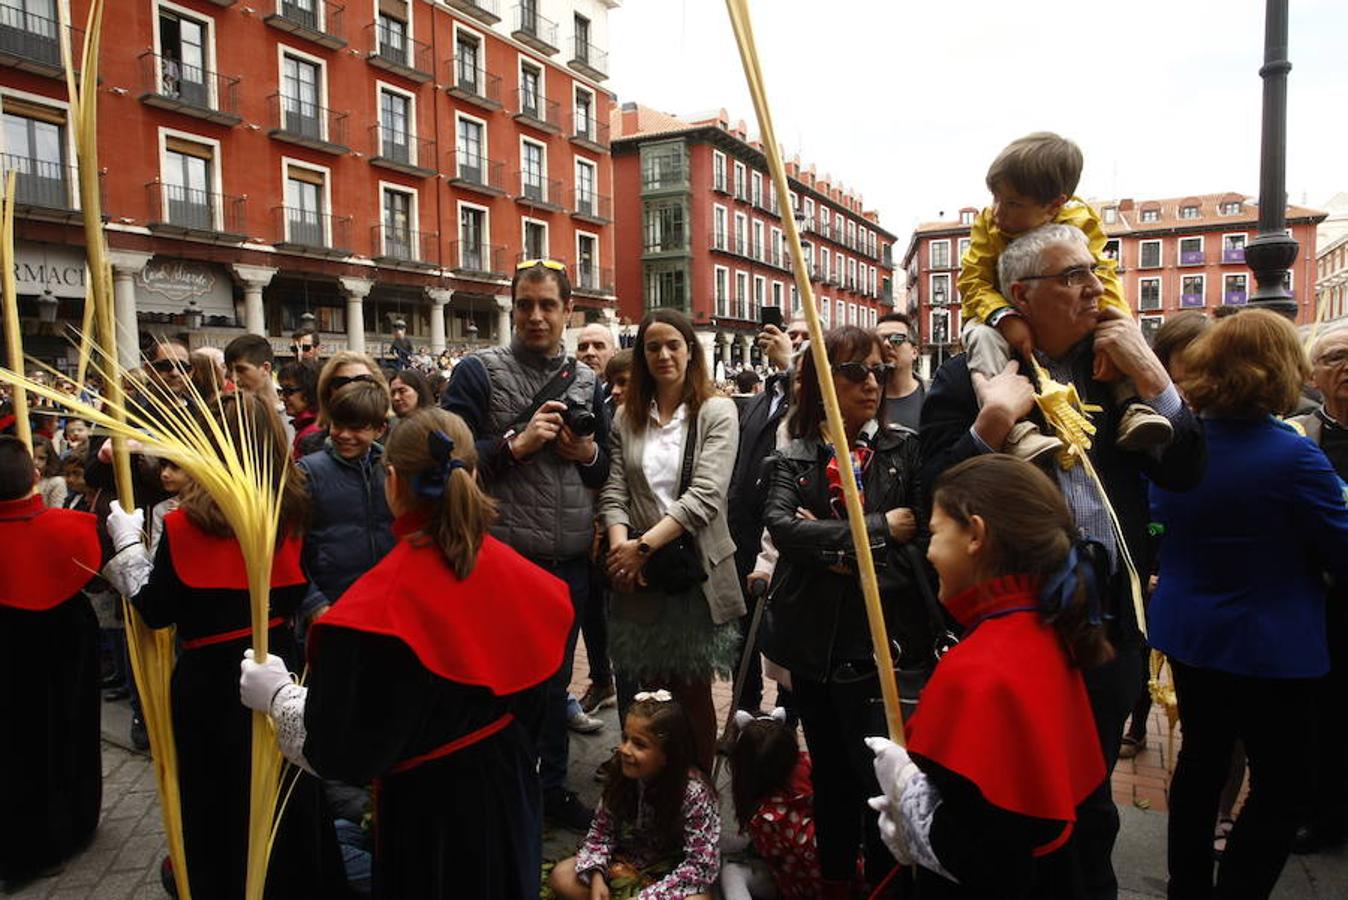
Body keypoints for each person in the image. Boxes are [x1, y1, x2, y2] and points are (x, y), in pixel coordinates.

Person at [920, 222, 1206, 900]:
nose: (1093, 286)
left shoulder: (1116, 372)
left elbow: (1191, 470)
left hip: (1105, 621)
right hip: (1015, 627)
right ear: (1022, 293)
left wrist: (1156, 375)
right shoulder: (971, 374)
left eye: (1094, 270)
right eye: (1072, 276)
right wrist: (991, 425)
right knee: (1016, 805)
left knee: (1092, 804)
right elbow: (924, 493)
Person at [239, 407, 574, 899]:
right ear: (473, 474)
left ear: (391, 481)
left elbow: (343, 752)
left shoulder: (372, 610)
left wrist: (280, 698)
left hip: (429, 814)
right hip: (510, 790)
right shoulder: (537, 584)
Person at [100, 393, 347, 900]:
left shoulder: (184, 525)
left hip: (211, 681)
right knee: (285, 797)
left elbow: (157, 608)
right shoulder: (291, 512)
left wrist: (126, 545)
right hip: (279, 666)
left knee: (218, 801)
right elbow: (298, 590)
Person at [1148, 310, 1348, 900]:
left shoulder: (1180, 449)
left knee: (1201, 763)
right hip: (1269, 643)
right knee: (1283, 783)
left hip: (1192, 632)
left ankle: (1188, 887)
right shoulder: (1294, 458)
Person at [868, 454, 1114, 899]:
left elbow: (988, 857)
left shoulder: (981, 670)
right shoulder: (1046, 628)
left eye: (937, 533)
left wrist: (910, 801)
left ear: (975, 535)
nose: (928, 551)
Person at [440, 260, 609, 831]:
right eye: (526, 305)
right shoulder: (476, 371)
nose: (537, 316)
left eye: (548, 305)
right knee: (502, 683)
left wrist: (585, 455)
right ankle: (498, 793)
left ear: (567, 311)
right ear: (511, 308)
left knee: (555, 685)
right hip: (505, 559)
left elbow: (603, 467)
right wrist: (513, 447)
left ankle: (551, 788)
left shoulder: (587, 380)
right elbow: (444, 464)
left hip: (568, 564)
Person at [759, 324, 925, 896]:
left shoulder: (905, 450)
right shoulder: (794, 452)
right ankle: (832, 884)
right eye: (856, 371)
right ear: (822, 380)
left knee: (877, 779)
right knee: (830, 777)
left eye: (879, 369)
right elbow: (782, 529)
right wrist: (880, 528)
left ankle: (881, 886)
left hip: (878, 648)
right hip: (811, 646)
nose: (872, 382)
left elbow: (920, 549)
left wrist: (834, 551)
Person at [957, 132, 1171, 460]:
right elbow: (972, 280)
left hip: (1064, 330)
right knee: (981, 336)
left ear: (1055, 204)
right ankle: (1015, 429)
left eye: (1013, 203)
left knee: (1115, 328)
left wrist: (1117, 329)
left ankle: (1133, 408)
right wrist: (1004, 316)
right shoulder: (990, 223)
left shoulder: (1081, 222)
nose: (998, 212)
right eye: (995, 198)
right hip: (995, 319)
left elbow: (1103, 280)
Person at [598, 308, 744, 772]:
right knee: (647, 692)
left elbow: (706, 496)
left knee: (692, 691)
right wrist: (623, 551)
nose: (663, 354)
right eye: (652, 347)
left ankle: (696, 794)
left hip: (693, 571)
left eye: (673, 345)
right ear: (641, 356)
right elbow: (615, 489)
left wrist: (639, 549)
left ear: (690, 351)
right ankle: (653, 797)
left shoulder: (717, 411)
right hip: (639, 573)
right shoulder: (626, 416)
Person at [0, 436, 103, 888]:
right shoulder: (74, 525)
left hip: (9, 640)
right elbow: (94, 577)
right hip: (66, 633)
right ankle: (74, 822)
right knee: (71, 729)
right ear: (36, 476)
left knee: (15, 744)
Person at [1118, 310, 1212, 763]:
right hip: (1154, 563)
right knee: (1139, 656)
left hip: (1192, 575)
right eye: (1182, 362)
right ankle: (1136, 723)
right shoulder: (1141, 408)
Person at [548, 694, 720, 900]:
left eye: (639, 744)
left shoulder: (695, 793)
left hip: (672, 876)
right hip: (625, 863)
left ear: (668, 755)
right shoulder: (621, 776)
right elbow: (601, 833)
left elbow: (701, 865)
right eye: (625, 738)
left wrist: (647, 897)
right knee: (561, 876)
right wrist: (596, 876)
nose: (624, 750)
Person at [1291, 326, 1348, 853]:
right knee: (1323, 715)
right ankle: (1321, 812)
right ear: (1314, 375)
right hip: (1318, 598)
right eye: (1336, 356)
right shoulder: (1298, 435)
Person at [296, 381, 396, 629]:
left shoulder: (394, 472)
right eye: (338, 425)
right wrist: (313, 603)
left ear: (379, 429)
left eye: (357, 428)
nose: (344, 435)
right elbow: (288, 547)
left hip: (388, 609)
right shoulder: (308, 473)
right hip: (331, 607)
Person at [722, 709, 821, 900]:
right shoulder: (810, 767)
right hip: (850, 878)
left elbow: (775, 856)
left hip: (803, 887)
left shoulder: (767, 817)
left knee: (732, 873)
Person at [575, 323, 619, 722]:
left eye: (598, 345)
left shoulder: (624, 397)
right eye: (583, 346)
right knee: (590, 607)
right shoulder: (580, 394)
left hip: (615, 522)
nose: (590, 352)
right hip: (580, 520)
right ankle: (602, 678)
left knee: (612, 609)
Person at [297, 352, 389, 458]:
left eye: (362, 380)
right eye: (341, 383)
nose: (351, 389)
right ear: (327, 391)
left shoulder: (396, 441)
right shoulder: (311, 447)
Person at [875, 312, 924, 433]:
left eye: (897, 338)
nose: (886, 344)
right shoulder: (862, 399)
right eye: (879, 340)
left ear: (914, 352)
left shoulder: (934, 399)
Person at [277, 360, 321, 457]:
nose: (282, 397)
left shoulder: (313, 432)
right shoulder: (305, 426)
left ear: (309, 391)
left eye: (288, 391)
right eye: (281, 391)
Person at [32, 434, 67, 509]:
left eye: (41, 458)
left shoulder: (56, 482)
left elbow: (56, 512)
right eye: (31, 456)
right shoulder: (19, 479)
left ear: (49, 460)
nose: (35, 462)